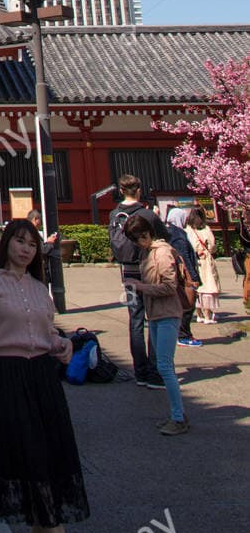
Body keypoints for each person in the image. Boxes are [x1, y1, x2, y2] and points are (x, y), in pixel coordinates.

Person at [0, 219, 89, 533]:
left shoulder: (40, 288)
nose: (26, 249)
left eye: (32, 244)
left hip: (42, 378)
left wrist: (60, 344)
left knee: (47, 466)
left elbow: (46, 332)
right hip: (8, 378)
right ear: (6, 243)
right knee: (34, 465)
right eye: (20, 241)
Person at [123, 215, 188, 435]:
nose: (139, 242)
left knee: (165, 367)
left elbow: (170, 286)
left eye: (140, 237)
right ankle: (176, 414)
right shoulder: (148, 252)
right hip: (157, 314)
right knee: (163, 366)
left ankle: (178, 418)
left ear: (148, 233)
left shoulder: (161, 252)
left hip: (168, 313)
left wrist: (140, 287)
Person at [108, 176, 168, 389]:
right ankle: (153, 371)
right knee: (153, 319)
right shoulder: (147, 214)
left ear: (121, 190)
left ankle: (140, 372)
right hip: (148, 271)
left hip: (128, 274)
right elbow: (165, 237)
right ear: (139, 190)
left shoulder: (115, 215)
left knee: (135, 321)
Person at [165, 208, 201, 347]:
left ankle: (180, 334)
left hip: (176, 275)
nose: (186, 221)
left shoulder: (168, 232)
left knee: (181, 305)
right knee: (187, 304)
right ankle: (183, 335)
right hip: (184, 276)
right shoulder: (178, 234)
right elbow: (184, 257)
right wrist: (193, 276)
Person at [185, 208, 221, 323]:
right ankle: (207, 316)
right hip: (205, 260)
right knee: (207, 287)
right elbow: (212, 245)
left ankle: (199, 314)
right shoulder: (205, 228)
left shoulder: (188, 229)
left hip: (194, 261)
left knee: (198, 288)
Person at [238, 207, 250, 310]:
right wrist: (242, 222)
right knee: (249, 275)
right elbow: (244, 239)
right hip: (248, 254)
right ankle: (247, 298)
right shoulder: (242, 226)